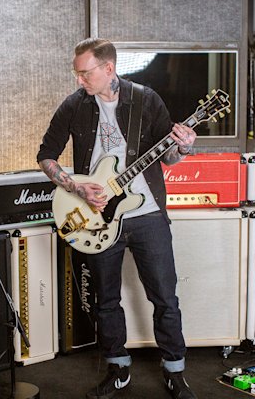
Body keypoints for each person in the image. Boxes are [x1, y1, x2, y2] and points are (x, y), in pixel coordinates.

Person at [37, 37, 197, 399]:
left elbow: (167, 157)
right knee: (105, 300)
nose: (80, 80)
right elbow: (46, 155)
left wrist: (184, 146)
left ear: (108, 69)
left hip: (147, 214)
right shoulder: (74, 105)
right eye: (77, 73)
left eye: (85, 73)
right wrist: (75, 188)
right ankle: (118, 368)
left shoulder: (146, 99)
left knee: (165, 299)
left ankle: (175, 371)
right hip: (95, 216)